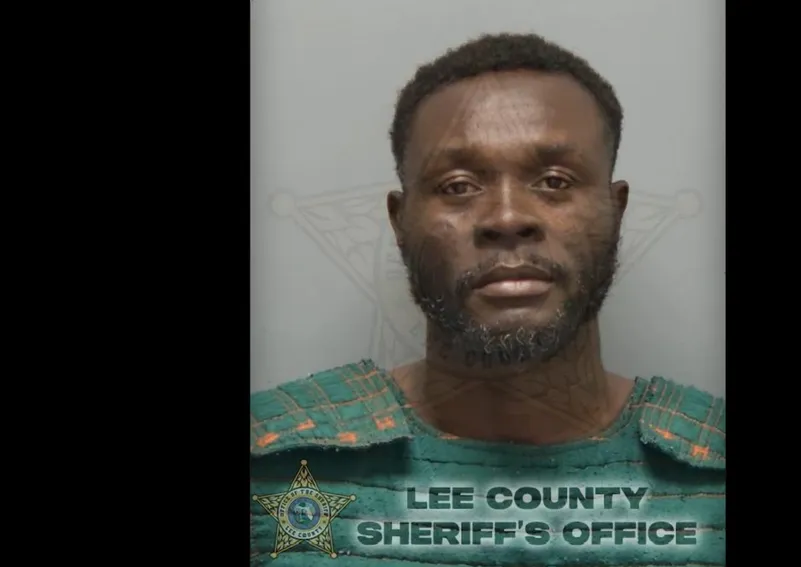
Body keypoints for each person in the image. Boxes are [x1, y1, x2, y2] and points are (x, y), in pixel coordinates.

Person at [250, 33, 725, 566]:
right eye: (457, 186)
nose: (507, 218)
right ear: (399, 223)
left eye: (554, 181)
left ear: (616, 211)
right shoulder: (269, 456)